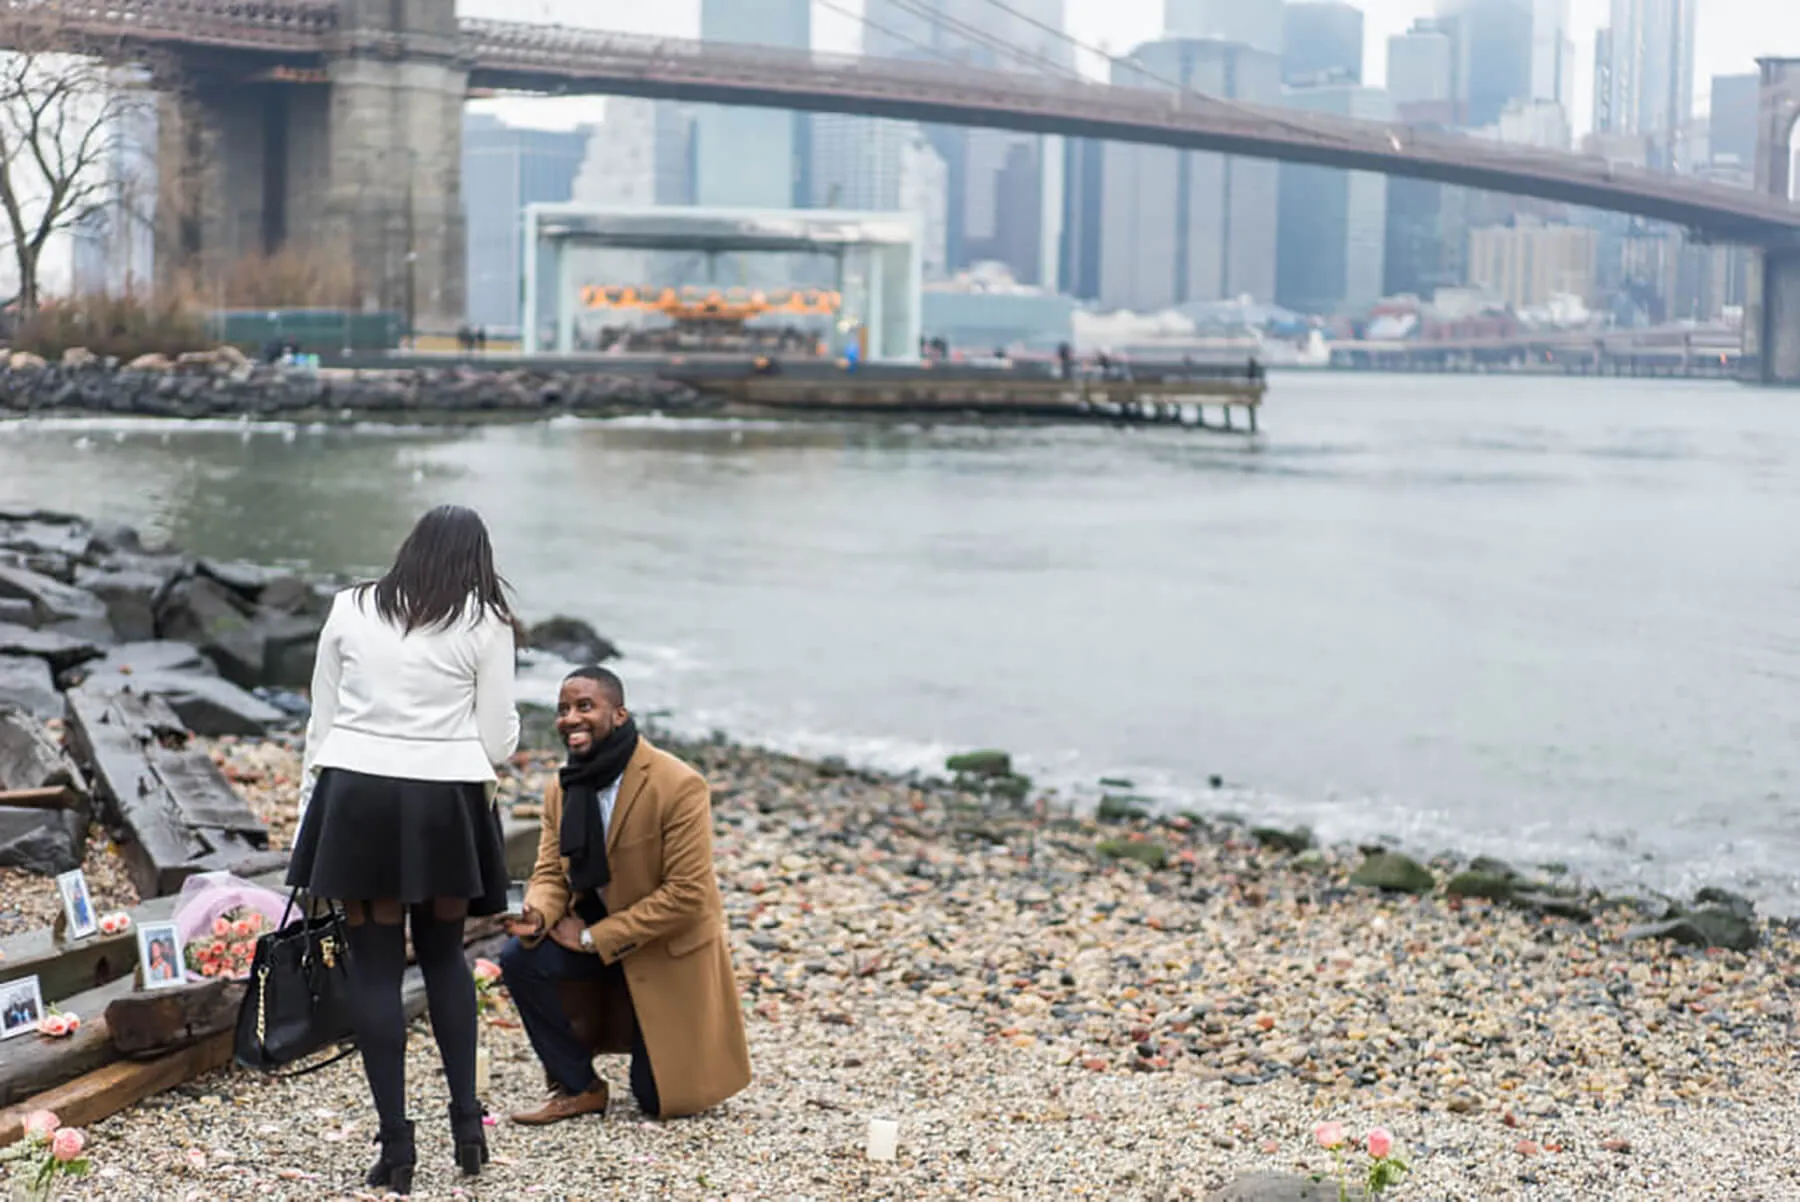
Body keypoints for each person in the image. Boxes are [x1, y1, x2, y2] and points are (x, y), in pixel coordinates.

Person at [286, 505, 520, 1196]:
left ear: (409, 547)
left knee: (377, 968)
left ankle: (395, 1148)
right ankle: (468, 1129)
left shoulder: (349, 607)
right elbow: (499, 740)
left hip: (356, 796)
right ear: (477, 557)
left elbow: (321, 718)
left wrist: (308, 809)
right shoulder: (486, 622)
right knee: (446, 955)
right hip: (444, 803)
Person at [500, 667, 749, 1125]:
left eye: (584, 706)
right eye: (562, 709)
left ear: (618, 714)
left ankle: (654, 1040)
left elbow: (687, 895)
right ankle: (578, 1087)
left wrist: (596, 936)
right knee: (519, 957)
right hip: (596, 940)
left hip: (662, 949)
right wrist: (537, 915)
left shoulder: (678, 784)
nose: (570, 718)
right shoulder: (563, 787)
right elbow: (551, 873)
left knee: (656, 1100)